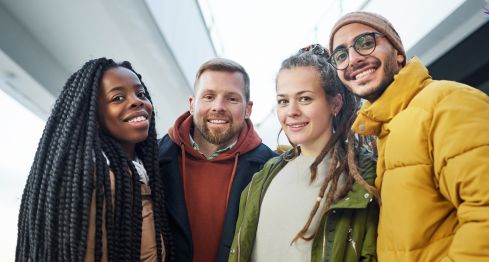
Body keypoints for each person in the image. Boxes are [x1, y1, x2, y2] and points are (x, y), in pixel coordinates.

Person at [328, 11, 489, 261]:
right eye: (341, 55)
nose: (353, 59)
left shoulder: (447, 102)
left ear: (398, 52)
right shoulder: (384, 132)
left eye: (365, 43)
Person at [229, 44, 379, 262]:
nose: (291, 111)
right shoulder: (263, 176)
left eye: (305, 98)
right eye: (283, 101)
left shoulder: (363, 178)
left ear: (335, 103)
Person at [16, 58, 172, 261]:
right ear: (94, 115)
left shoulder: (143, 173)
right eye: (117, 98)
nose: (137, 101)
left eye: (140, 93)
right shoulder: (95, 180)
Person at [158, 58, 276, 262]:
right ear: (192, 104)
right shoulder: (154, 157)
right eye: (209, 96)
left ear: (248, 109)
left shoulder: (271, 168)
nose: (218, 107)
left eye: (231, 99)